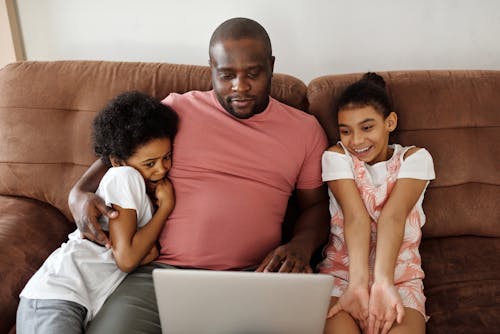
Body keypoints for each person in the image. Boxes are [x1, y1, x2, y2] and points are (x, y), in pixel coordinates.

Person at [68, 17, 330, 333]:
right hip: (158, 276)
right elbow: (118, 153)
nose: (240, 87)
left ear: (271, 66)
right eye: (227, 75)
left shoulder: (304, 130)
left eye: (253, 74)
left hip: (255, 277)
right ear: (211, 68)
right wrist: (79, 192)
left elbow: (316, 206)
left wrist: (301, 245)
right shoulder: (177, 110)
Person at [16, 91, 179, 334]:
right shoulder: (125, 177)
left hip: (82, 303)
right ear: (118, 161)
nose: (162, 169)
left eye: (167, 157)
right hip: (56, 295)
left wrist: (141, 250)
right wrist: (165, 209)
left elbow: (143, 253)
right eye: (150, 163)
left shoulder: (138, 189)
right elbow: (127, 260)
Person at [318, 72, 435, 334]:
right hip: (344, 276)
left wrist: (383, 283)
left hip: (399, 279)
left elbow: (392, 216)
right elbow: (356, 217)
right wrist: (358, 285)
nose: (356, 141)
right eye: (346, 131)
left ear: (390, 122)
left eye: (367, 127)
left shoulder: (416, 158)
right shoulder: (336, 156)